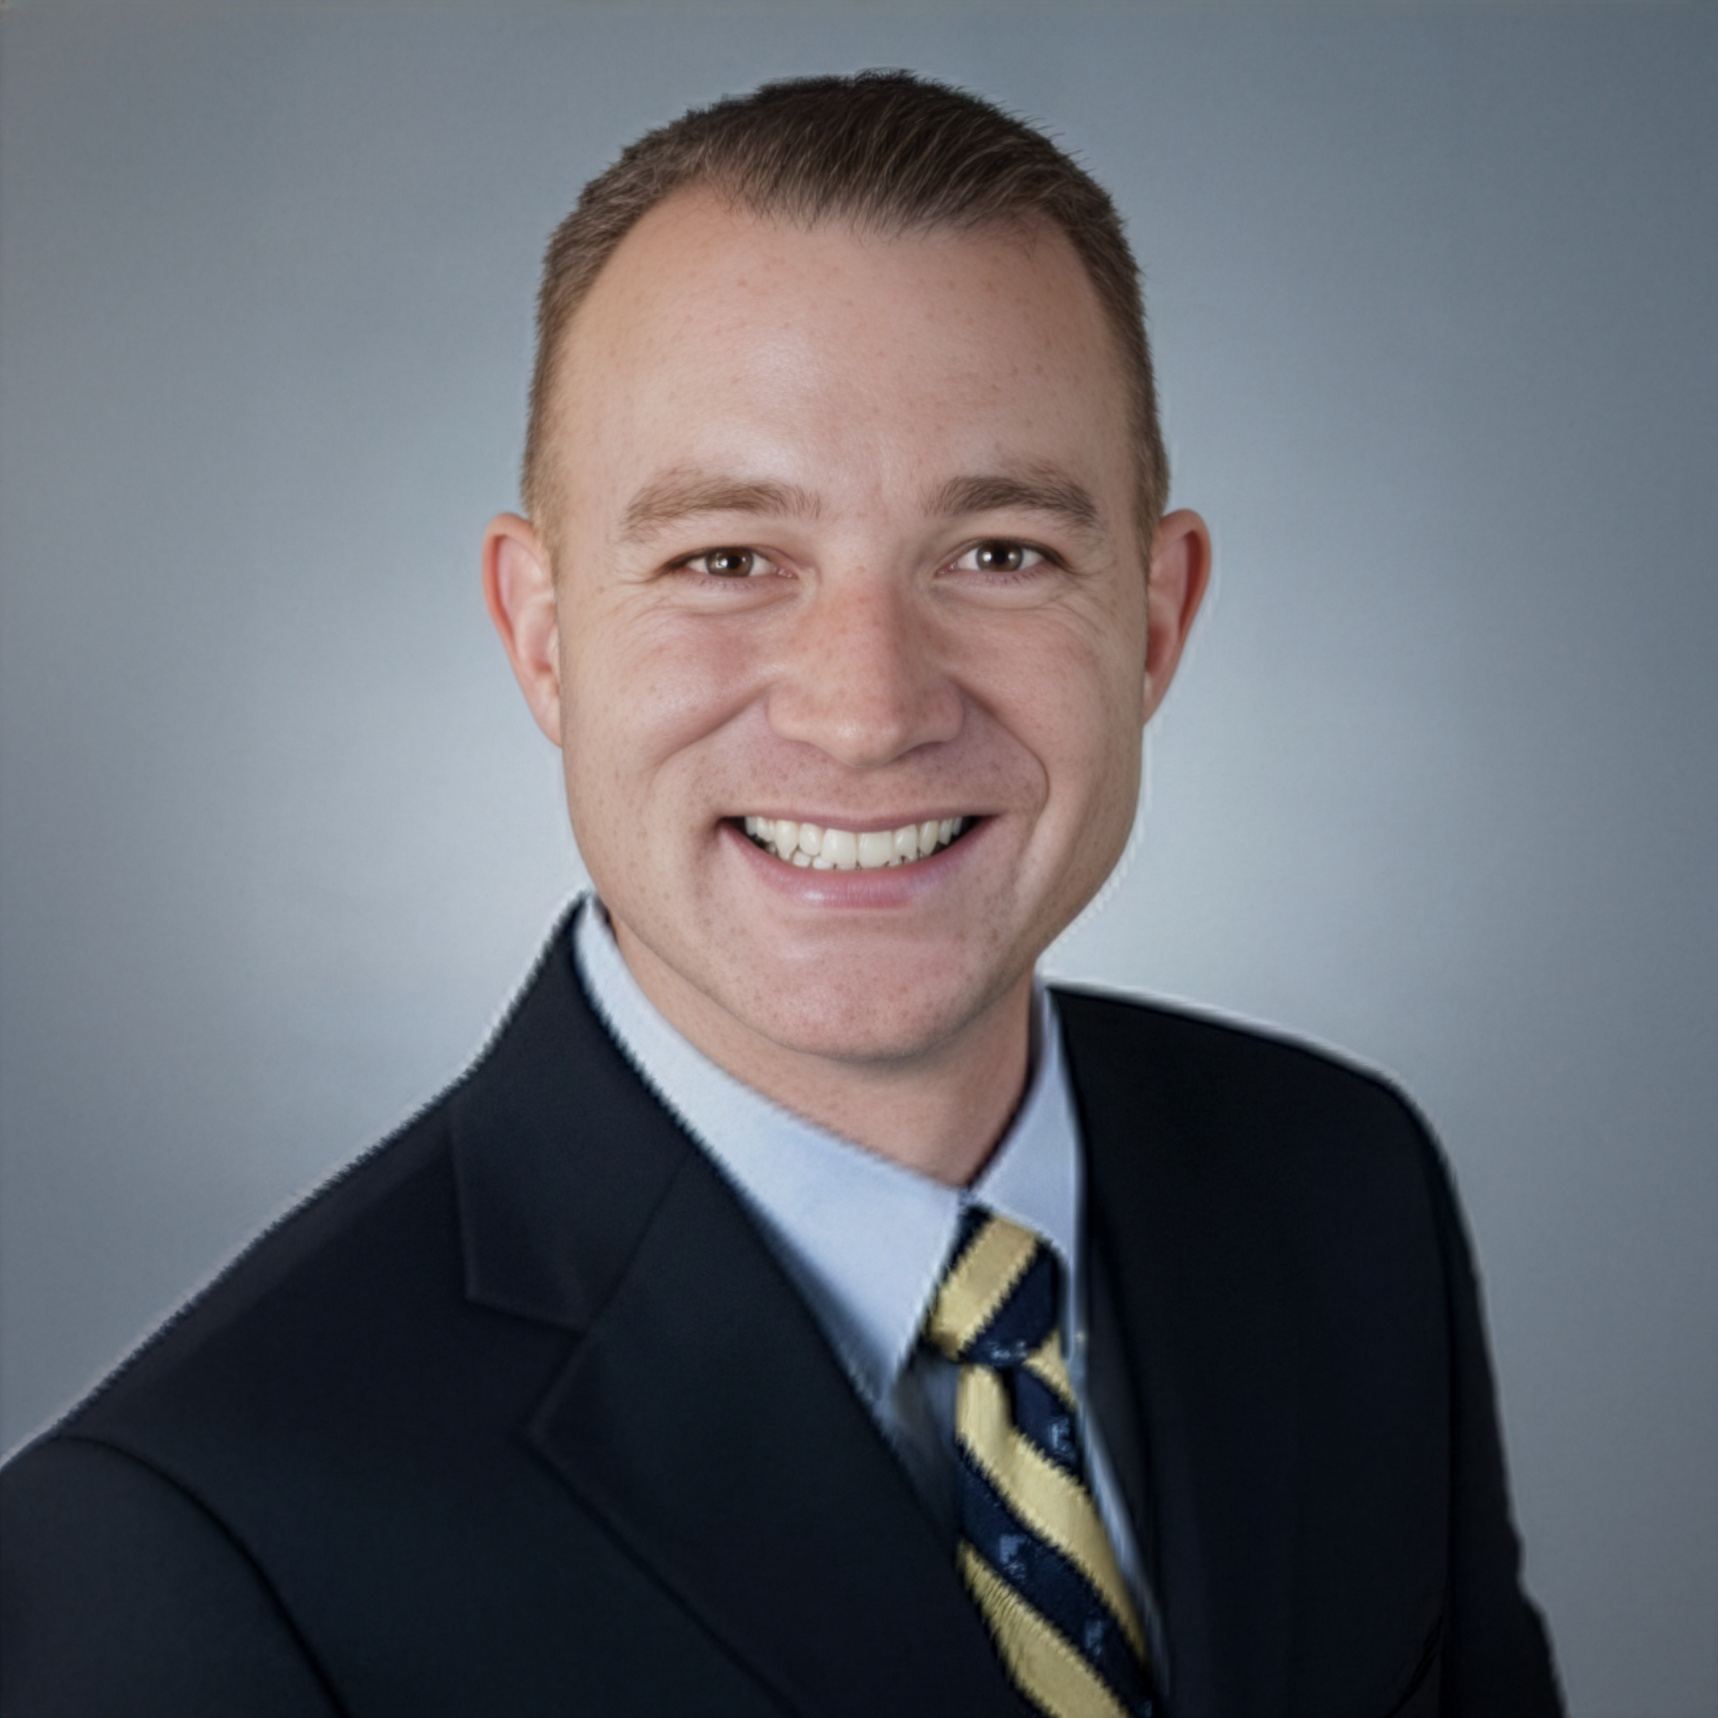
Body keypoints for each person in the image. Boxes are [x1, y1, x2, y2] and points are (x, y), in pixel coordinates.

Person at [0, 71, 1562, 1718]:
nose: (867, 706)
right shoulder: (182, 1543)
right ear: (543, 636)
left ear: (1153, 619)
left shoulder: (1342, 1187)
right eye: (726, 558)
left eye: (1000, 553)